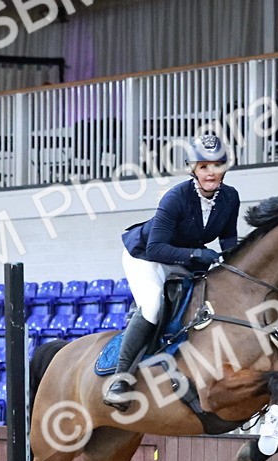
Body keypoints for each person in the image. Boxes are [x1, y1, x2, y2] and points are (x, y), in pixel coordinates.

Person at [102, 133, 241, 410]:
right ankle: (120, 378)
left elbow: (228, 240)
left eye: (216, 165)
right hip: (145, 256)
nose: (210, 172)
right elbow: (156, 249)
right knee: (153, 305)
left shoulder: (230, 198)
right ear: (194, 169)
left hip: (182, 259)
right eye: (204, 166)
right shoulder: (176, 198)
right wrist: (196, 254)